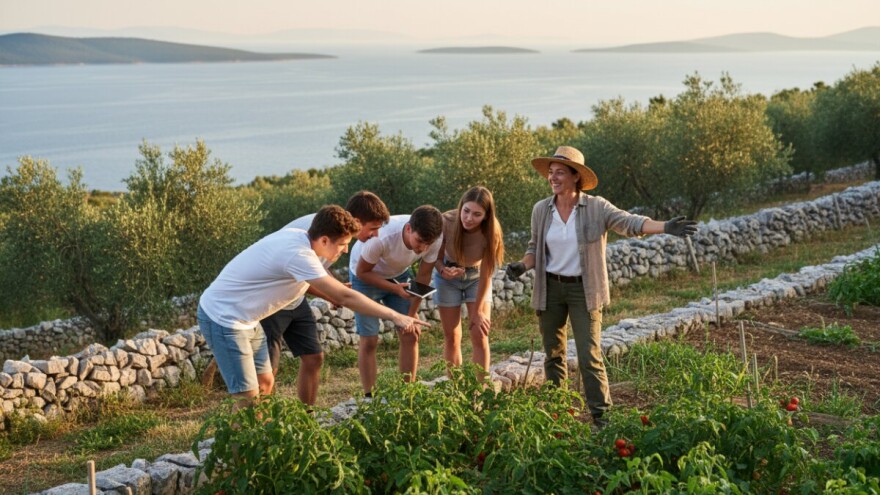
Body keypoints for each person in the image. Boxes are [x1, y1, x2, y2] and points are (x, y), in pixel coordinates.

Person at [506, 146, 697, 427]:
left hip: (584, 290)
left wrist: (665, 226)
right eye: (551, 173)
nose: (553, 177)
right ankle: (556, 415)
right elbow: (534, 248)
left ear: (575, 176)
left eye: (560, 172)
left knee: (589, 355)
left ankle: (602, 419)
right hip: (550, 290)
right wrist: (522, 266)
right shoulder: (541, 210)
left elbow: (630, 222)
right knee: (553, 355)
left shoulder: (597, 208)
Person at [197, 205, 428, 408]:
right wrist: (396, 316)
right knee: (246, 399)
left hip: (249, 320)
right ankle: (241, 457)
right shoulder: (298, 253)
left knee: (265, 383)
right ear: (325, 240)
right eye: (343, 244)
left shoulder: (302, 239)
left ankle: (261, 442)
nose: (346, 250)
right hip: (224, 318)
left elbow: (317, 285)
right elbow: (346, 297)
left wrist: (332, 291)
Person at [259, 191, 390, 405]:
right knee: (268, 370)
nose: (376, 235)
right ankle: (263, 425)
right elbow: (305, 276)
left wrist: (334, 287)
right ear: (357, 221)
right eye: (373, 228)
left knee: (314, 357)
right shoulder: (320, 231)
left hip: (295, 297)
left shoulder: (338, 233)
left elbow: (318, 270)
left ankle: (307, 416)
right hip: (272, 299)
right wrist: (334, 293)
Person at [351, 205, 444, 395]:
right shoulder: (381, 238)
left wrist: (410, 315)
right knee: (370, 340)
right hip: (365, 277)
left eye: (428, 244)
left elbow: (424, 276)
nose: (422, 248)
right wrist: (394, 288)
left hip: (399, 275)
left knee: (411, 333)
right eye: (419, 241)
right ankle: (370, 396)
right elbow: (362, 272)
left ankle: (407, 393)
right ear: (409, 229)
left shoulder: (434, 238)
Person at [433, 186, 504, 372]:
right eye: (466, 211)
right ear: (461, 206)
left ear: (486, 216)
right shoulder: (446, 221)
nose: (469, 218)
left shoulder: (492, 232)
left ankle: (480, 392)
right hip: (447, 277)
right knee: (452, 336)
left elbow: (487, 273)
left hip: (477, 277)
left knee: (480, 333)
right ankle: (457, 390)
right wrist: (442, 271)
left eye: (477, 214)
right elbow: (436, 258)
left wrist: (478, 311)